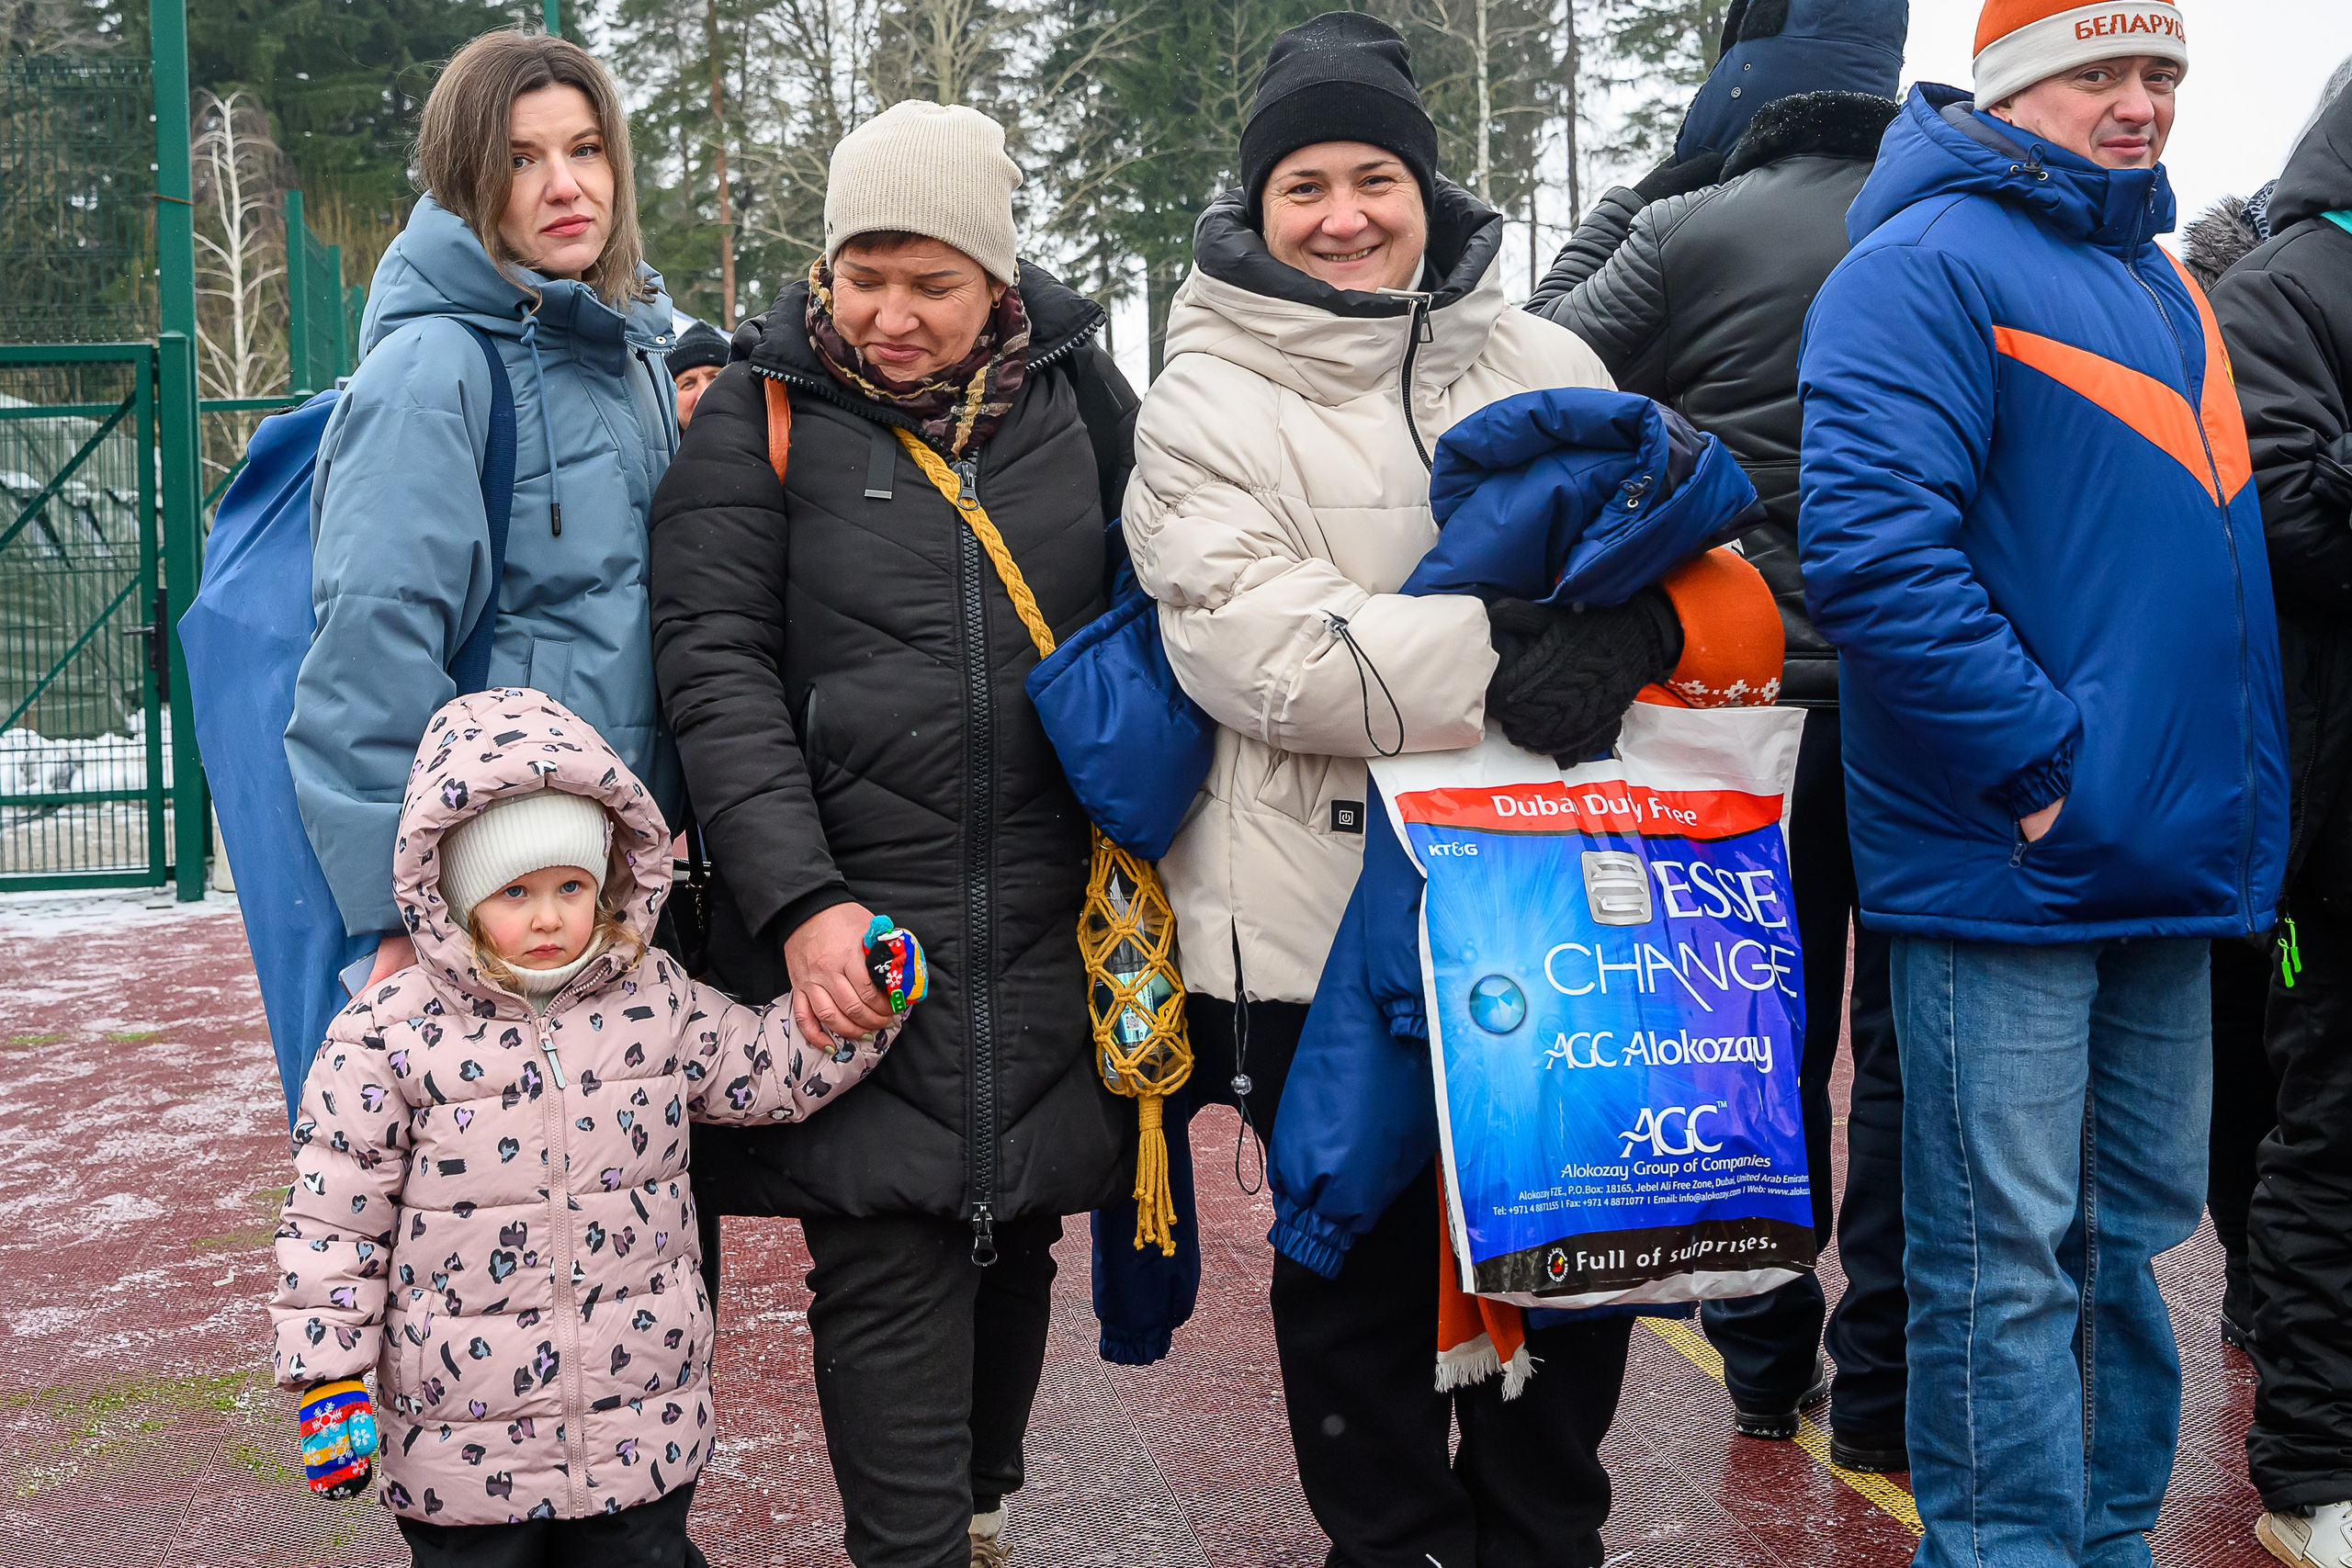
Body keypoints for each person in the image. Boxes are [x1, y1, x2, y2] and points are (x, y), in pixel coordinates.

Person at [1122, 15, 1691, 1565]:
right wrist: (1514, 653)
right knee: (1359, 1272)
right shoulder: (1202, 394)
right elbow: (1258, 651)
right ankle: (1391, 1547)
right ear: (1257, 206)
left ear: (1431, 189)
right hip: (1318, 915)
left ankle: (1540, 1540)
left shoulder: (1546, 355)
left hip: (1551, 897)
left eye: (1376, 175)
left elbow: (1684, 558)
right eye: (1304, 183)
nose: (1345, 214)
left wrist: (1655, 622)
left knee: (1566, 1249)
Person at [1797, 4, 2290, 1563]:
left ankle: (2110, 1540)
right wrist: (2040, 771)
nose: (2139, 105)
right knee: (2003, 1259)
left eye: (2160, 75)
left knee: (2130, 1242)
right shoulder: (1919, 266)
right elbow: (1875, 560)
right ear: (2015, 85)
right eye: (2102, 72)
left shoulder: (2163, 283)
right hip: (2014, 861)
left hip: (2160, 856)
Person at [647, 100, 1136, 1568]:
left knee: (1022, 1224)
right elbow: (713, 667)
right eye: (864, 273)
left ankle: (985, 1499)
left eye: (931, 280)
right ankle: (915, 1547)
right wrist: (799, 903)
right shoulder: (759, 412)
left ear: (998, 276)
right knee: (885, 1241)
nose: (890, 312)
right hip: (858, 912)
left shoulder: (1083, 403)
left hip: (1053, 906)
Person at [1525, 0, 1911, 1471]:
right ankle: (1883, 1376)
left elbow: (1535, 362)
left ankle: (1763, 1350)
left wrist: (1643, 195)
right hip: (1921, 697)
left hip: (1738, 703)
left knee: (1759, 1029)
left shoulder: (1689, 229)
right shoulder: (1942, 217)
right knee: (1909, 1044)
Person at [268, 688, 903, 1568]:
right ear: (452, 890)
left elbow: (761, 1067)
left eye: (571, 886)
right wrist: (328, 1379)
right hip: (464, 1439)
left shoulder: (652, 998)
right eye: (514, 890)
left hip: (635, 1415)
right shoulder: (389, 1032)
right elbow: (334, 1221)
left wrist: (859, 1008)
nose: (547, 916)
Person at [286, 30, 683, 999]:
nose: (565, 185)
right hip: (495, 893)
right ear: (466, 178)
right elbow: (370, 650)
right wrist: (394, 921)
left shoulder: (628, 353)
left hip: (606, 876)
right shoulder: (433, 370)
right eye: (520, 159)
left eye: (585, 150)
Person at [2208, 62, 2352, 1568]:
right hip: (2336, 807)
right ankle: (2314, 1468)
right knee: (2328, 1133)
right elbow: (2296, 519)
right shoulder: (2288, 285)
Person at [667, 318, 729, 428]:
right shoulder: (649, 443)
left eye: (715, 378)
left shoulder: (767, 441)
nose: (703, 394)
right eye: (688, 384)